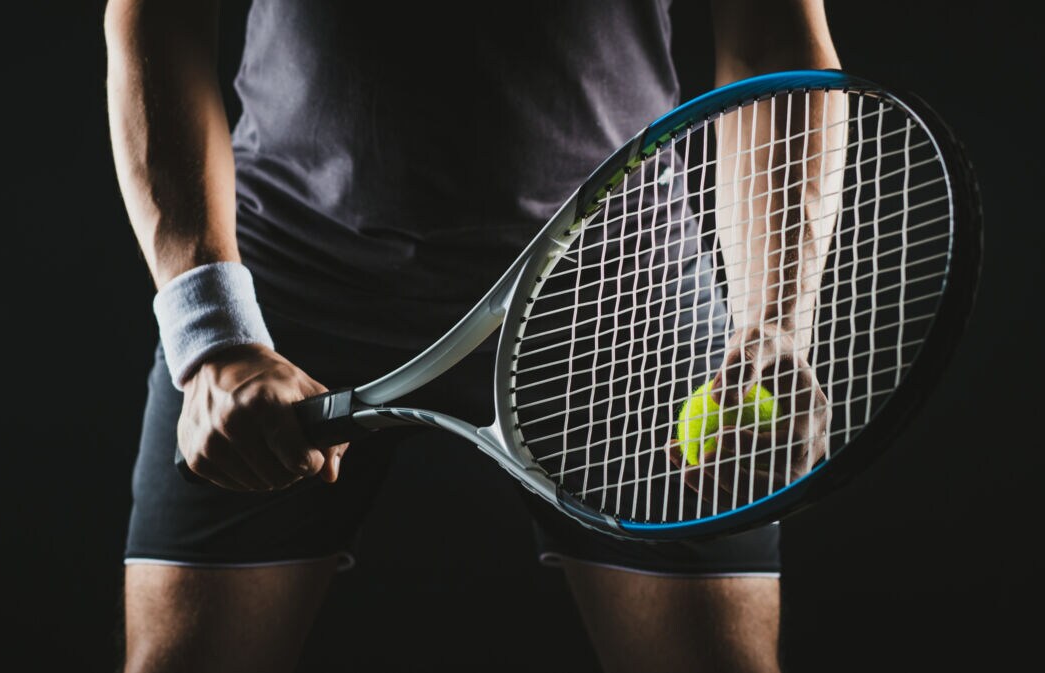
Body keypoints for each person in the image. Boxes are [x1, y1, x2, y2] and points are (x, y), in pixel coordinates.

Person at [104, 1, 841, 671]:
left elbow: (772, 35)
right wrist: (215, 331)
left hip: (620, 285)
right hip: (294, 286)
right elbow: (159, 14)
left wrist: (775, 323)